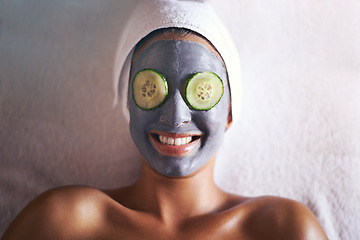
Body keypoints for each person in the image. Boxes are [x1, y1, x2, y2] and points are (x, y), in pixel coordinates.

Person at [2, 1, 328, 239]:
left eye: (201, 90)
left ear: (230, 110)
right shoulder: (63, 222)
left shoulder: (284, 229)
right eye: (152, 88)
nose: (175, 116)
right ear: (128, 103)